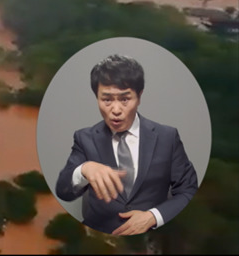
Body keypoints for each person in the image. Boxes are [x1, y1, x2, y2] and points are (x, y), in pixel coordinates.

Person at [54, 54, 199, 235]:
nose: (115, 110)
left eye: (124, 99)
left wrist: (153, 216)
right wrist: (84, 169)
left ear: (139, 96)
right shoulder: (85, 138)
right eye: (106, 100)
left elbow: (188, 190)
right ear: (97, 97)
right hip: (98, 237)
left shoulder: (167, 137)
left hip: (152, 238)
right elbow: (63, 190)